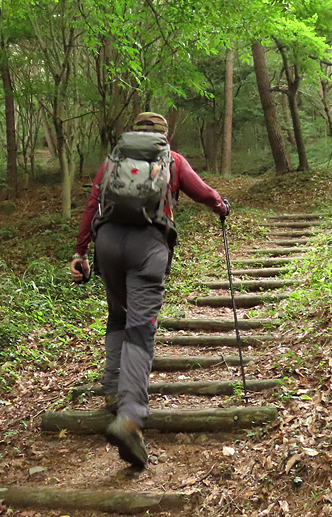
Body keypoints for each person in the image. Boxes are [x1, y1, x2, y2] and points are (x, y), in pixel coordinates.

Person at [70, 111, 229, 468]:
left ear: (134, 133)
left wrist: (80, 252)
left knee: (117, 315)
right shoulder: (172, 160)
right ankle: (129, 417)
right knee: (141, 328)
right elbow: (202, 192)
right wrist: (221, 206)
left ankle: (113, 389)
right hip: (148, 246)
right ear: (164, 136)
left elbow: (93, 204)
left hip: (108, 242)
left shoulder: (113, 160)